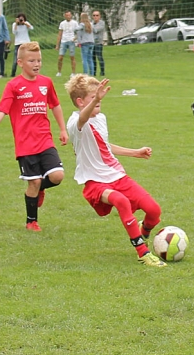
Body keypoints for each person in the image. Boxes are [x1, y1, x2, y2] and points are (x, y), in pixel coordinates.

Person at [65, 75, 166, 267]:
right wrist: (95, 100)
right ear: (80, 101)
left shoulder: (100, 118)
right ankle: (142, 253)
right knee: (121, 201)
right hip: (94, 182)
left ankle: (143, 234)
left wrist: (135, 152)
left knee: (154, 211)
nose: (99, 99)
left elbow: (104, 146)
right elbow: (83, 119)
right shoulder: (75, 122)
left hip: (116, 176)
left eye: (99, 96)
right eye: (94, 97)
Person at [0, 41, 68, 231]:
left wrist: (62, 129)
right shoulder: (14, 86)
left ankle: (41, 188)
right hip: (25, 143)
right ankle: (31, 222)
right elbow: (2, 109)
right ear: (20, 63)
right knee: (33, 182)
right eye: (31, 61)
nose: (37, 64)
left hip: (45, 139)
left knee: (57, 176)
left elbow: (55, 105)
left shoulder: (46, 82)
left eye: (39, 60)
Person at [56, 10, 78, 77]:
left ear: (71, 15)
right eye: (67, 15)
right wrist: (57, 45)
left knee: (72, 57)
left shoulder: (75, 23)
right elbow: (60, 34)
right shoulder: (62, 23)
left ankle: (73, 73)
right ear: (64, 16)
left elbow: (78, 32)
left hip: (71, 41)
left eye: (69, 15)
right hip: (64, 41)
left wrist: (75, 38)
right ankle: (59, 72)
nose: (68, 16)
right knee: (60, 57)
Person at [10, 13, 33, 78]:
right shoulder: (14, 24)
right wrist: (16, 24)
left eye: (22, 18)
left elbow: (31, 28)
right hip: (18, 43)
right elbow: (14, 32)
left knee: (28, 58)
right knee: (16, 60)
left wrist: (24, 23)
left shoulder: (26, 23)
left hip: (26, 43)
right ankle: (12, 73)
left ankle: (29, 71)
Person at [91, 10, 106, 76]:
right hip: (92, 43)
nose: (95, 17)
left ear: (99, 16)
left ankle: (102, 72)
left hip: (98, 43)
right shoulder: (91, 23)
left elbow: (96, 30)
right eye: (94, 15)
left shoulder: (102, 23)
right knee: (92, 58)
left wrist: (89, 26)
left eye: (97, 15)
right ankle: (93, 72)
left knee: (100, 57)